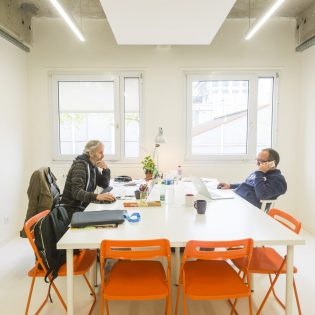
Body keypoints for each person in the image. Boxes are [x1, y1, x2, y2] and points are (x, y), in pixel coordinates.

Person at [61, 140, 116, 218]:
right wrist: (97, 196)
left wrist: (105, 169)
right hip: (72, 211)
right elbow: (77, 192)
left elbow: (105, 184)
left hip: (83, 206)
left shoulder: (92, 165)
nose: (103, 156)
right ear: (91, 153)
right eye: (100, 153)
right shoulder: (80, 166)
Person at [217, 148, 287, 208]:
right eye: (257, 160)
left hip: (249, 210)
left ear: (272, 163)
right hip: (237, 200)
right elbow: (249, 184)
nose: (258, 164)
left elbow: (262, 195)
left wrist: (260, 172)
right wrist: (230, 186)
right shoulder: (261, 173)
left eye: (261, 161)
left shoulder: (278, 180)